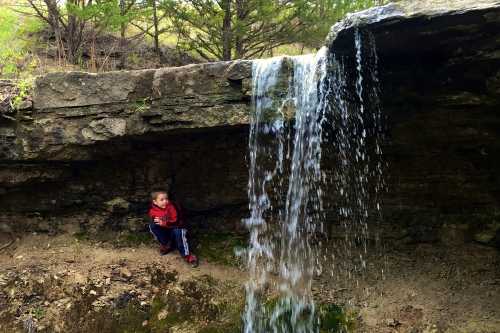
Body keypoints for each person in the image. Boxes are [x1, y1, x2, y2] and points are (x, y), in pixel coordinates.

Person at [148, 190, 198, 267]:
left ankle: (187, 255)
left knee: (179, 231)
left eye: (166, 199)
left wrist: (164, 223)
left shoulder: (172, 206)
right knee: (152, 226)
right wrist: (162, 224)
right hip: (167, 229)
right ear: (155, 202)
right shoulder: (152, 210)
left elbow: (177, 222)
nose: (165, 201)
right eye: (162, 200)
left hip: (177, 227)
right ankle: (166, 244)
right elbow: (156, 222)